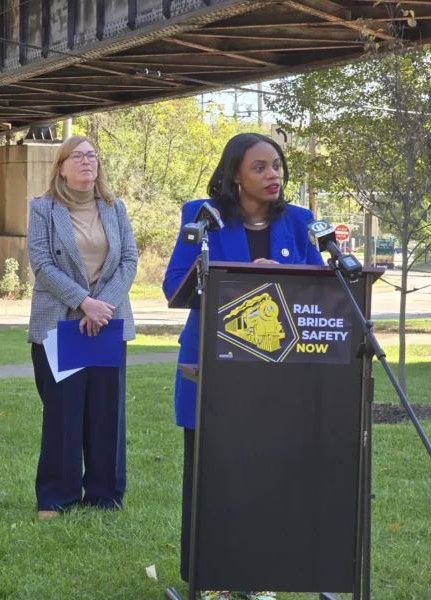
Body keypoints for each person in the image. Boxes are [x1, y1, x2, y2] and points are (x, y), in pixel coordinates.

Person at [163, 133, 324, 600]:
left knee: (269, 472)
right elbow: (176, 286)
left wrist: (284, 275)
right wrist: (241, 277)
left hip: (280, 373)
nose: (273, 174)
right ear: (235, 173)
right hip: (215, 370)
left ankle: (263, 577)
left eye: (276, 165)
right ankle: (211, 577)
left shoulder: (300, 222)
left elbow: (322, 290)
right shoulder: (204, 216)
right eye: (260, 167)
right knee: (213, 474)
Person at [26, 135, 138, 518]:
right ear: (61, 166)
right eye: (78, 156)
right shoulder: (43, 208)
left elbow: (128, 260)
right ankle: (57, 497)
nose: (87, 162)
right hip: (61, 323)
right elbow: (42, 263)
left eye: (92, 156)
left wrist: (101, 307)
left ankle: (105, 495)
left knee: (106, 412)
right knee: (63, 411)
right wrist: (84, 302)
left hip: (107, 323)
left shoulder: (114, 207)